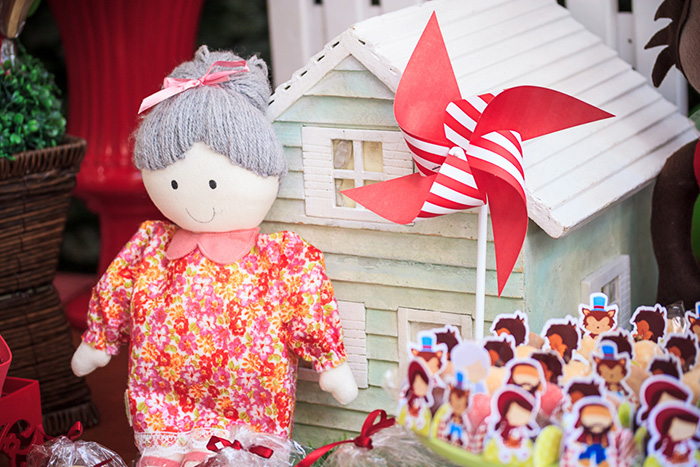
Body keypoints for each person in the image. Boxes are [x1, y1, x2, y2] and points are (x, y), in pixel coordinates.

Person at [70, 46, 357, 467]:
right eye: (170, 181)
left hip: (250, 418)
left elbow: (307, 306)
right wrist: (99, 338)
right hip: (163, 408)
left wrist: (329, 361)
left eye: (211, 182)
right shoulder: (150, 245)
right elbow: (116, 288)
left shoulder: (280, 258)